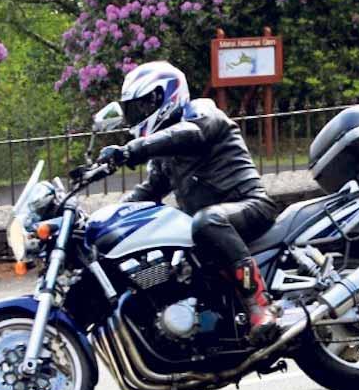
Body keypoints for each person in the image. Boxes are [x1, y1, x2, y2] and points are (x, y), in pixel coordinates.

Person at [97, 61, 281, 346]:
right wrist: (104, 220)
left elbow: (191, 133)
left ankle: (259, 305)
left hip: (249, 206)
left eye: (145, 105)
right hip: (208, 228)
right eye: (136, 108)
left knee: (208, 220)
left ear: (166, 96)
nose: (141, 114)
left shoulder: (200, 111)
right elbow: (149, 190)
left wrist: (132, 150)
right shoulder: (166, 155)